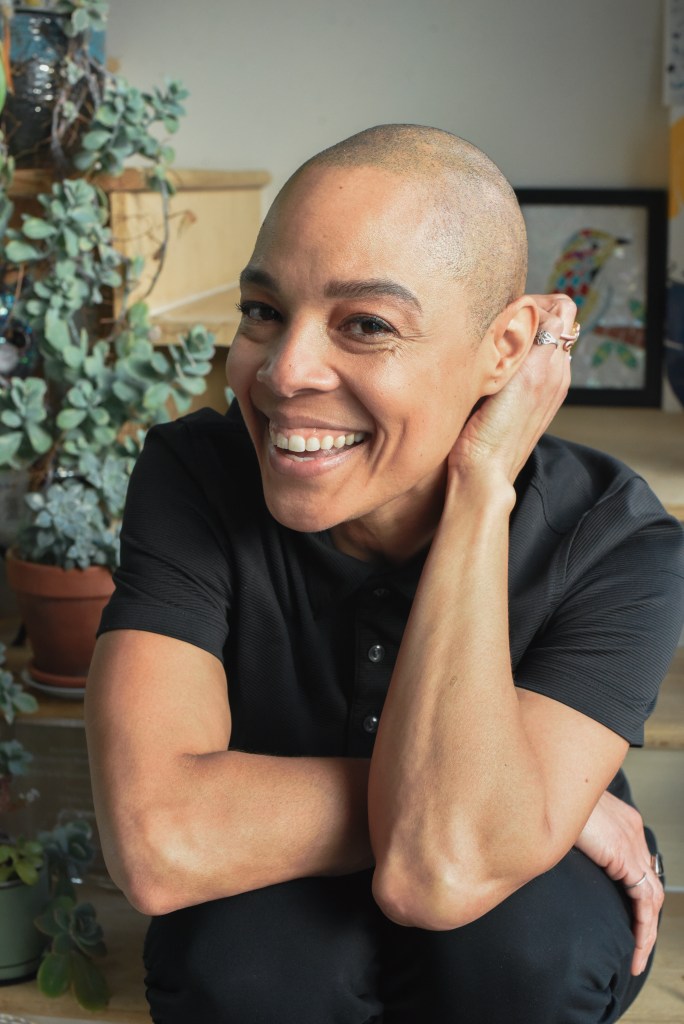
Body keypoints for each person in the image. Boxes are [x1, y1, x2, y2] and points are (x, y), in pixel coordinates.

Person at [85, 124, 684, 1024]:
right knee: (249, 971)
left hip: (499, 925)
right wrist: (532, 807)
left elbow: (442, 872)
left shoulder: (616, 539)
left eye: (366, 324)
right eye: (262, 310)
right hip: (285, 903)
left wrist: (481, 489)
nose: (284, 371)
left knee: (529, 959)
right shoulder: (194, 477)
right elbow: (158, 843)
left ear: (506, 348)